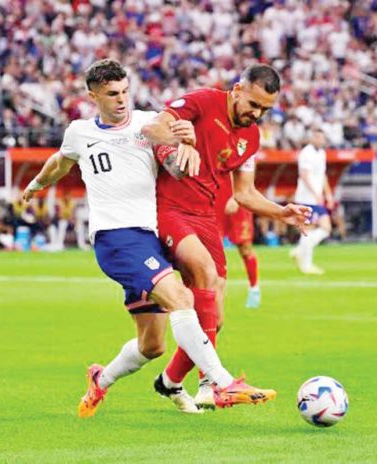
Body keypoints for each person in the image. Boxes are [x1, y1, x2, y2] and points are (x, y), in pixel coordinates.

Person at [22, 59, 276, 418]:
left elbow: (172, 157)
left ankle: (101, 380)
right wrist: (35, 185)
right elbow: (59, 163)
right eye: (112, 94)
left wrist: (184, 146)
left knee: (153, 344)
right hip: (116, 238)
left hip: (151, 238)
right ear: (93, 95)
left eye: (125, 91)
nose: (121, 99)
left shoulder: (148, 124)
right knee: (182, 297)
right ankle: (220, 382)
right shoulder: (79, 132)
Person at [141, 64, 311, 409]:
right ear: (237, 89)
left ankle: (170, 381)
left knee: (215, 317)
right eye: (253, 104)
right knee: (203, 270)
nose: (257, 114)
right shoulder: (204, 101)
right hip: (170, 208)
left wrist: (281, 211)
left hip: (206, 217)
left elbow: (245, 194)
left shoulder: (252, 137)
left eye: (265, 109)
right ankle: (214, 385)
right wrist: (179, 142)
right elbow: (153, 127)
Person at [290, 127, 333, 275]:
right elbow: (304, 175)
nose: (320, 140)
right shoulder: (306, 153)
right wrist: (316, 194)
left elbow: (322, 175)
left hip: (317, 198)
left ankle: (299, 251)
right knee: (309, 230)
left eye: (322, 138)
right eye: (317, 137)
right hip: (305, 198)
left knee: (325, 228)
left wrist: (328, 194)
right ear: (312, 138)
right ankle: (306, 265)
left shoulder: (322, 153)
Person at [216, 168, 261, 309]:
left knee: (245, 248)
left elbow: (247, 167)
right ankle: (214, 292)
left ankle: (254, 289)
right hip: (215, 197)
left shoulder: (242, 146)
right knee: (212, 248)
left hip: (238, 198)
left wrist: (237, 196)